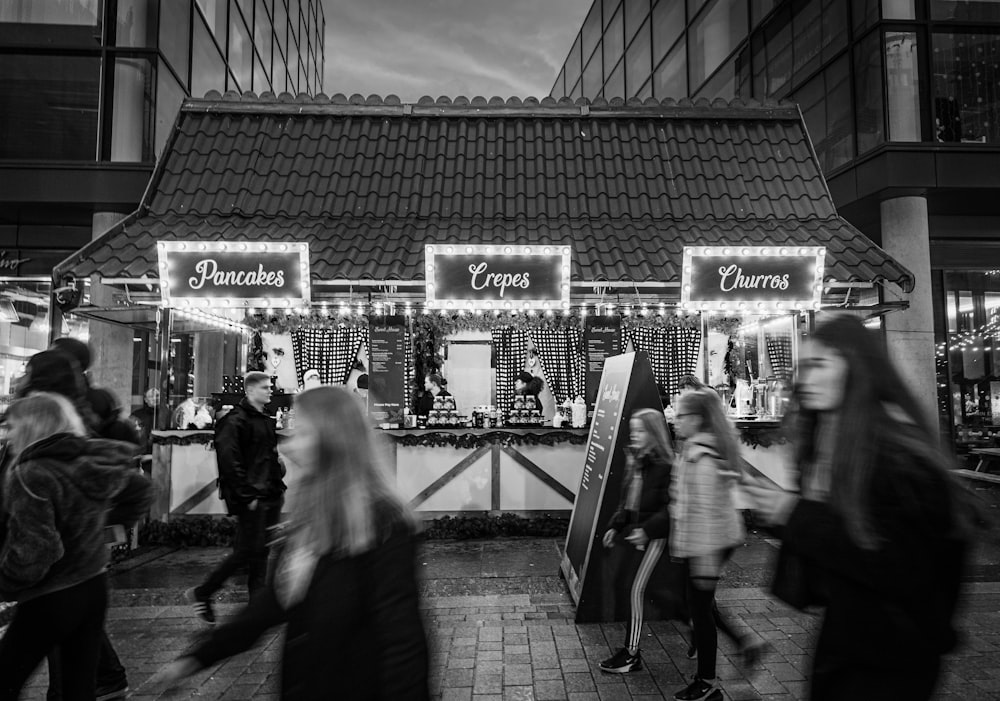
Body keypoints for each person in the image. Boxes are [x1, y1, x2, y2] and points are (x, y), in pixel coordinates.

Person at [745, 314, 975, 700]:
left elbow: (894, 560)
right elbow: (844, 544)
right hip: (855, 642)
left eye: (820, 365)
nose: (806, 379)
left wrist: (793, 514)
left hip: (892, 656)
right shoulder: (838, 445)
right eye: (804, 367)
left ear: (857, 367)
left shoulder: (897, 455)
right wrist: (782, 515)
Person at [151, 386, 429, 700]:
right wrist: (197, 658)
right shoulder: (310, 514)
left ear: (333, 441)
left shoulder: (383, 523)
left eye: (304, 433)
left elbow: (403, 640)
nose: (291, 447)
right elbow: (273, 604)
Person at [0, 392, 152, 701]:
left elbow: (36, 550)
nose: (7, 433)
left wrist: (5, 585)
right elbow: (140, 489)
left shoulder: (29, 474)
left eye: (12, 426)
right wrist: (104, 529)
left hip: (50, 594)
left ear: (32, 426)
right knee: (78, 688)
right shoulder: (89, 461)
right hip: (93, 585)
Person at [186, 371, 286, 623]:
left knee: (258, 552)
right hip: (253, 496)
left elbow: (267, 456)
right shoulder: (235, 421)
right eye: (265, 387)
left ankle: (257, 608)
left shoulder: (263, 419)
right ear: (250, 390)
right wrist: (246, 495)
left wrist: (277, 484)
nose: (270, 391)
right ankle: (203, 592)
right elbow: (230, 461)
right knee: (247, 552)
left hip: (269, 494)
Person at [670, 389, 747, 701]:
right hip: (704, 543)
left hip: (708, 544)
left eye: (681, 415)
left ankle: (708, 681)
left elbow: (706, 513)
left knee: (700, 612)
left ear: (698, 419)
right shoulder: (694, 449)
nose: (675, 420)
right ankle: (740, 648)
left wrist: (703, 560)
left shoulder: (702, 458)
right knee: (699, 607)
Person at [598, 408, 683, 674]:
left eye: (640, 430)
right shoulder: (639, 462)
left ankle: (632, 653)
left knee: (636, 590)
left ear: (654, 434)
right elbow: (629, 501)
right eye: (633, 430)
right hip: (640, 536)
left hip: (655, 538)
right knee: (639, 588)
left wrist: (647, 530)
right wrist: (616, 525)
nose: (634, 435)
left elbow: (669, 507)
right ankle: (693, 623)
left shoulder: (664, 466)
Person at [129, 388, 160, 456]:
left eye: (157, 395)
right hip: (142, 454)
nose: (155, 398)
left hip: (160, 454)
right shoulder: (136, 415)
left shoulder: (166, 415)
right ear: (146, 399)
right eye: (151, 396)